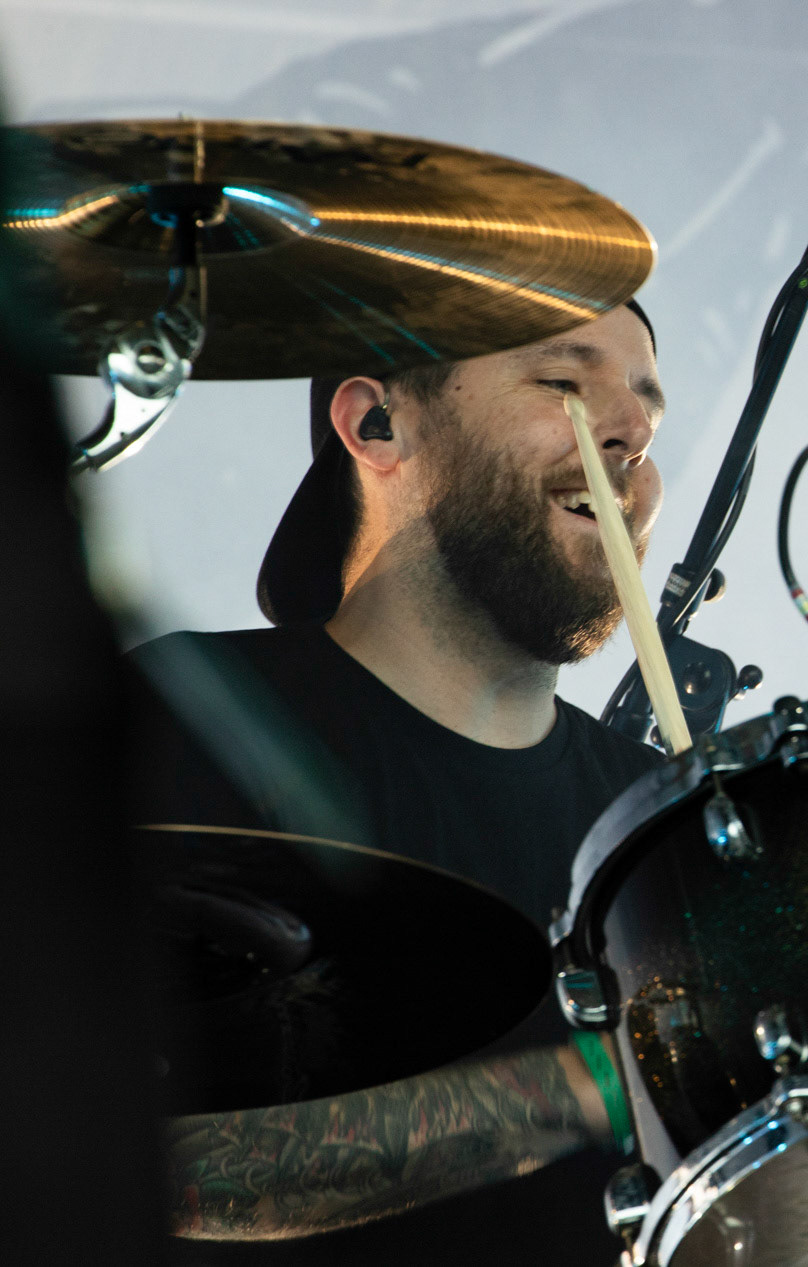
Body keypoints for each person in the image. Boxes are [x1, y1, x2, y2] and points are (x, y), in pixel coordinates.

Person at [132, 299, 670, 1264]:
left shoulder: (667, 823)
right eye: (563, 382)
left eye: (647, 410)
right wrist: (605, 1079)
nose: (628, 432)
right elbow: (117, 1159)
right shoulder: (190, 716)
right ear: (377, 424)